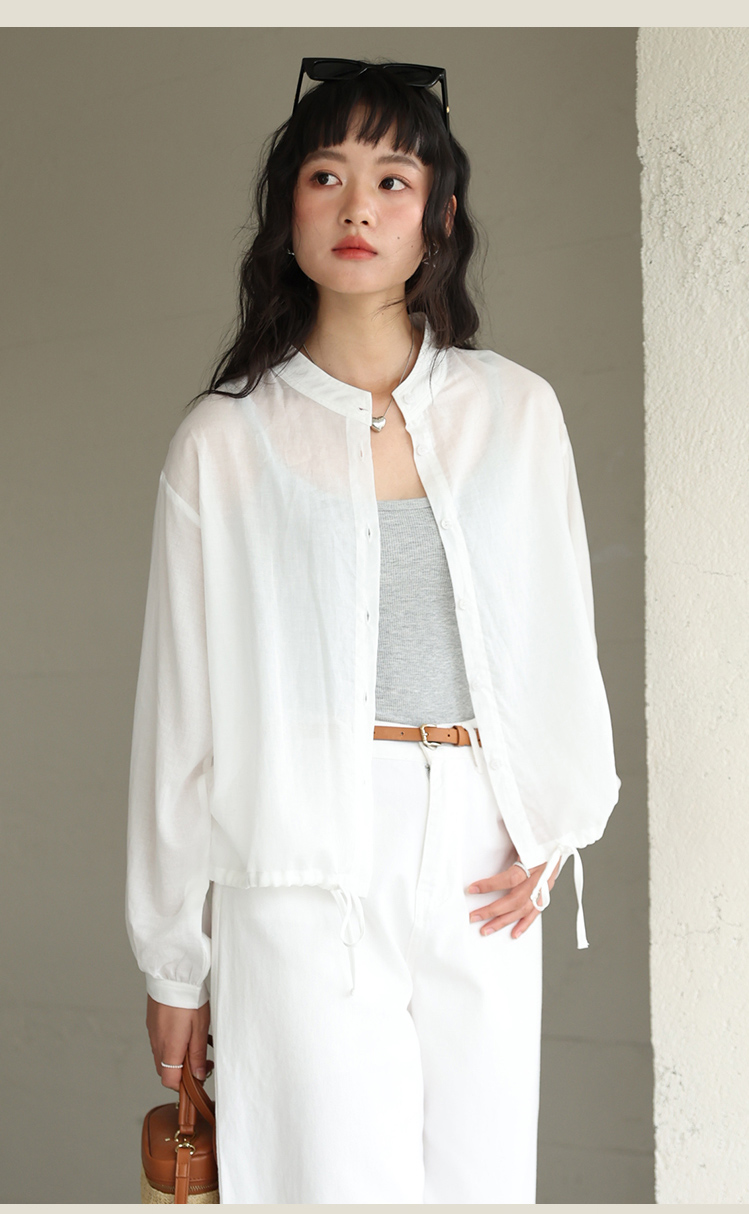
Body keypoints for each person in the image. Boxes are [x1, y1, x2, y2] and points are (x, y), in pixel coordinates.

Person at [126, 57, 621, 1204]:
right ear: (286, 210)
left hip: (481, 857)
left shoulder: (515, 411)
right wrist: (175, 957)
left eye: (393, 179)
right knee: (327, 1184)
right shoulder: (224, 443)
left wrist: (554, 818)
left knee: (482, 1183)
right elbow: (180, 714)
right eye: (327, 175)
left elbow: (558, 634)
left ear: (438, 215)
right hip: (302, 861)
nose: (358, 205)